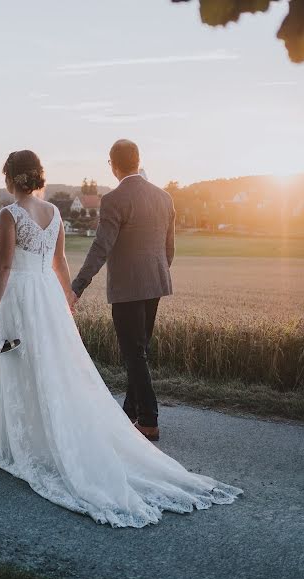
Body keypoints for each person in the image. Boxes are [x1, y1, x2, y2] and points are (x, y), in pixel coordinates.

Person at [0, 148, 241, 527]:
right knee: (63, 367)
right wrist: (67, 297)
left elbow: (6, 266)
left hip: (24, 298)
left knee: (25, 367)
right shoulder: (56, 214)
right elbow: (63, 264)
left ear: (10, 177)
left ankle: (29, 443)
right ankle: (112, 421)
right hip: (63, 297)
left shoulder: (11, 214)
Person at [71, 139, 172, 441]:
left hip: (128, 288)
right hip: (155, 283)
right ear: (138, 160)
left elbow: (101, 247)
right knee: (139, 352)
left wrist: (78, 286)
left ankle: (149, 420)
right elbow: (169, 249)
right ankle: (129, 413)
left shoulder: (114, 199)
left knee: (134, 354)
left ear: (112, 165)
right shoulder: (164, 197)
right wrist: (155, 273)